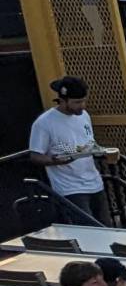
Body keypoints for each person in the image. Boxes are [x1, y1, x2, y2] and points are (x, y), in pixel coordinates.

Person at [29, 75, 107, 224]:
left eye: (84, 100)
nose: (82, 105)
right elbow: (35, 155)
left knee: (105, 227)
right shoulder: (44, 123)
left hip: (95, 182)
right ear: (63, 100)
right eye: (77, 102)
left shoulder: (84, 116)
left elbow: (89, 142)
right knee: (89, 230)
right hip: (70, 187)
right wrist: (54, 160)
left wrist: (99, 152)